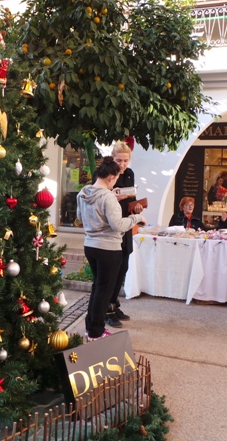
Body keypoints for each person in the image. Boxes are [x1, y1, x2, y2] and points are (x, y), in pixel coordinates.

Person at [77, 156, 146, 341]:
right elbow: (118, 225)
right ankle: (96, 332)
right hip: (108, 248)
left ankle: (90, 326)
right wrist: (137, 219)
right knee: (104, 292)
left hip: (90, 246)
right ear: (111, 177)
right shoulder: (108, 197)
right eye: (115, 178)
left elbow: (80, 218)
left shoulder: (83, 192)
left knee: (97, 287)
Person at [105, 141, 144, 328]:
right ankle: (107, 310)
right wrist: (112, 196)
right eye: (119, 160)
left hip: (126, 224)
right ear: (112, 158)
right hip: (111, 227)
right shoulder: (107, 174)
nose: (122, 165)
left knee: (123, 268)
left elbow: (133, 199)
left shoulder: (129, 174)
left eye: (125, 161)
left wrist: (136, 207)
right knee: (111, 270)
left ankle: (115, 303)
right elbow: (98, 198)